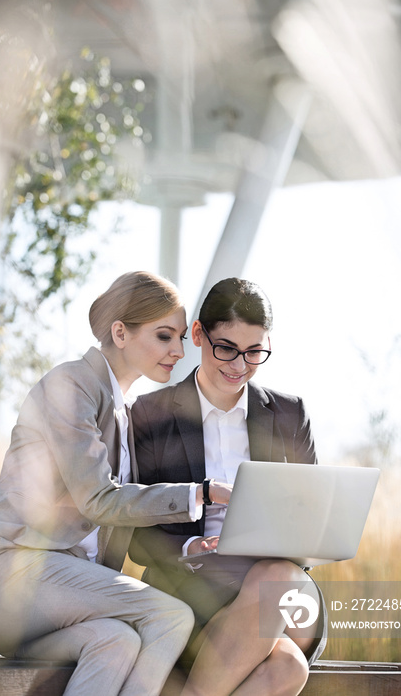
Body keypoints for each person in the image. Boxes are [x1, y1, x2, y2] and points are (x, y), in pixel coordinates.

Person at [0, 271, 232, 696]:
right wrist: (200, 494)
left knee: (116, 641)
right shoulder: (72, 384)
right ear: (120, 332)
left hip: (57, 600)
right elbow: (101, 501)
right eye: (163, 336)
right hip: (12, 577)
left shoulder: (124, 411)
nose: (178, 350)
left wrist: (196, 543)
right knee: (170, 616)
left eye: (180, 339)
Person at [129, 277, 328, 696]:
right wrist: (188, 547)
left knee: (276, 574)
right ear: (199, 334)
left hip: (279, 585)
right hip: (192, 581)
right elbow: (138, 534)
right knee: (287, 671)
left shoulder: (290, 414)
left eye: (255, 351)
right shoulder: (150, 414)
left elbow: (314, 519)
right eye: (227, 349)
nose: (240, 365)